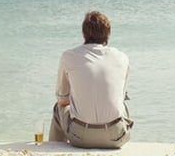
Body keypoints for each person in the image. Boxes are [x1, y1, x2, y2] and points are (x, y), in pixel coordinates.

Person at [48, 11, 133, 149]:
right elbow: (120, 98)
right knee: (122, 104)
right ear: (108, 34)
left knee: (58, 108)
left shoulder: (68, 56)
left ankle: (53, 148)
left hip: (80, 137)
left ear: (84, 34)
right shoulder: (122, 58)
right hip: (116, 136)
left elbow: (62, 101)